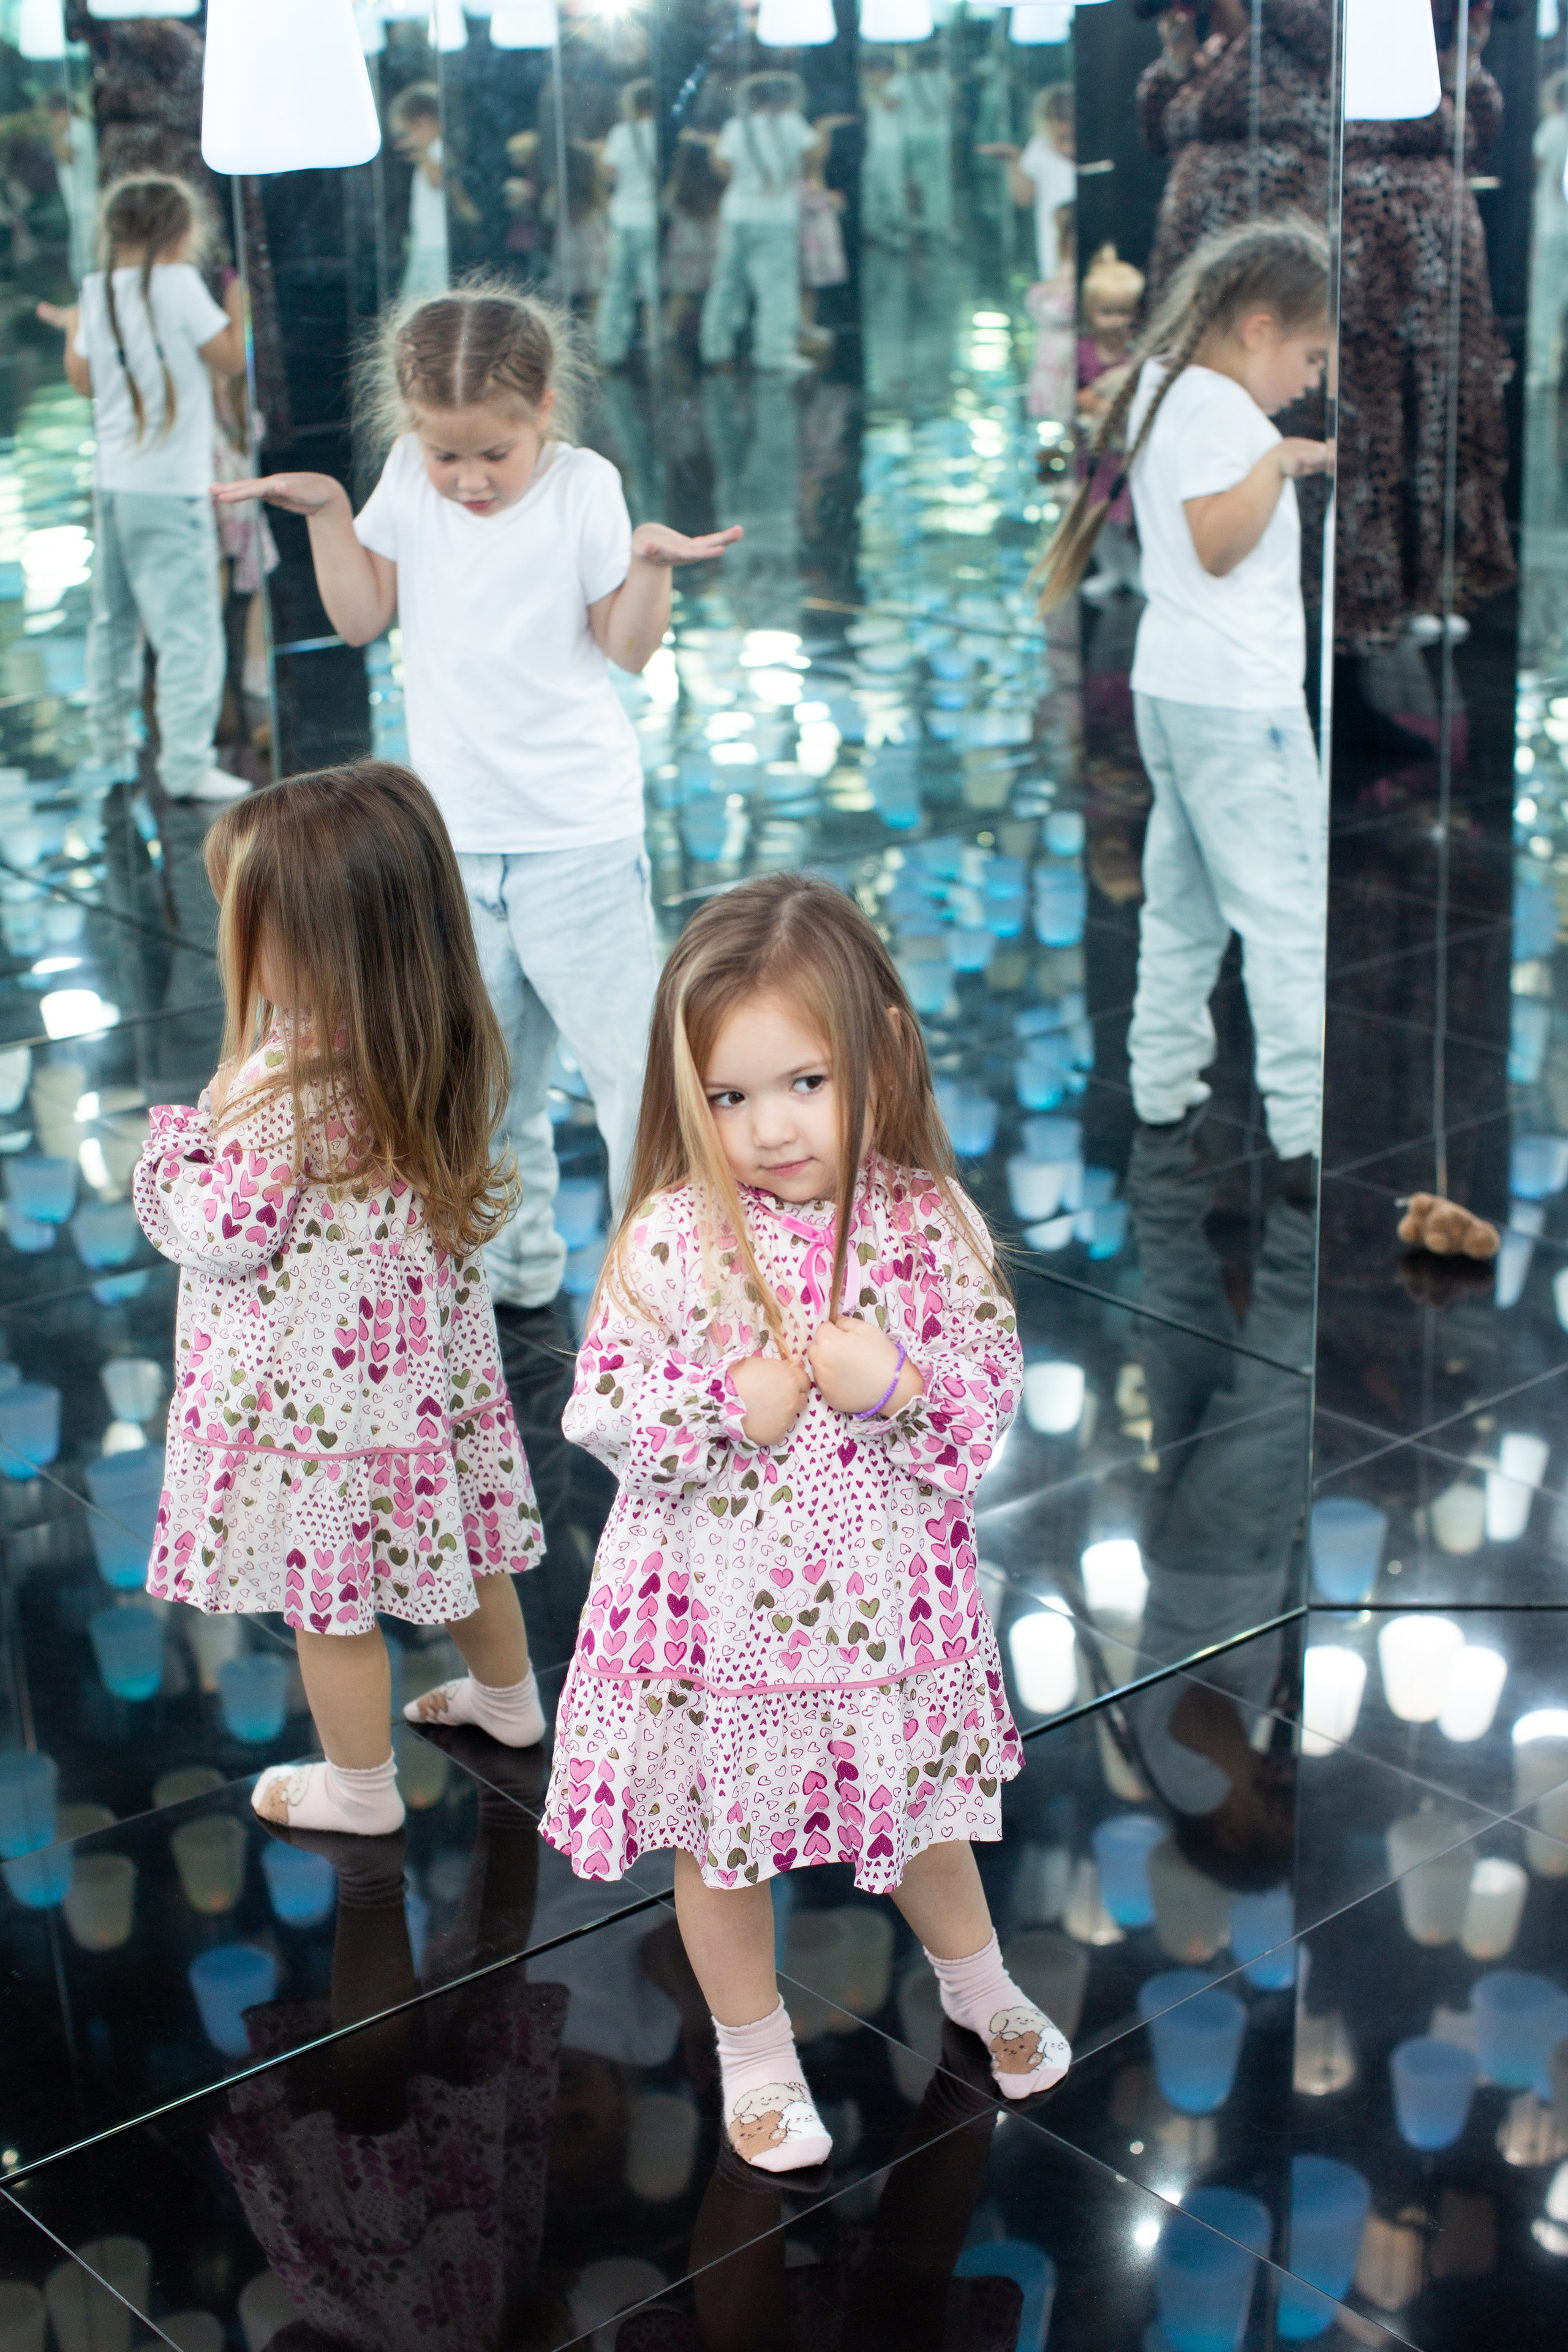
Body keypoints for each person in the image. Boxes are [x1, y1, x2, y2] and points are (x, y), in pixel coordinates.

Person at [538, 873, 1072, 2173]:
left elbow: (978, 1414)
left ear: (881, 1053)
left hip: (886, 1610)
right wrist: (727, 1402)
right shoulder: (673, 1234)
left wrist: (891, 1388)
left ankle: (976, 1981)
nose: (768, 1128)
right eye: (728, 1097)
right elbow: (599, 1410)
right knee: (722, 1848)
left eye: (804, 1083)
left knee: (928, 1818)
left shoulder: (928, 1226)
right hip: (716, 1623)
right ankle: (753, 2052)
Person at [213, 285, 740, 1323]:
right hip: (453, 843)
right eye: (446, 453)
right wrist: (329, 513)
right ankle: (515, 1273)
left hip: (576, 835)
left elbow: (627, 649)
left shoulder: (587, 486)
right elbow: (362, 616)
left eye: (493, 453)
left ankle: (669, 1286)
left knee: (632, 1076)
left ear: (545, 406)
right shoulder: (411, 477)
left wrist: (648, 570)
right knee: (482, 1085)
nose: (468, 478)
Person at [130, 763, 547, 1838]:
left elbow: (225, 1235)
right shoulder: (426, 1039)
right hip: (419, 1390)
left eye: (245, 912)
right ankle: (509, 1702)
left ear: (311, 938)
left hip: (316, 1410)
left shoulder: (287, 1091)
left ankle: (358, 1790)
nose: (233, 931)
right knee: (474, 1541)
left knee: (334, 1606)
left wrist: (170, 1158)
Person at [1040, 218, 1333, 1172]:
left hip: (1177, 691)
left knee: (1186, 903)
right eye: (1310, 353)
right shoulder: (1225, 414)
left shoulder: (1168, 385)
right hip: (1239, 705)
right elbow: (1216, 541)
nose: (1313, 380)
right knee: (1289, 918)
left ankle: (1163, 1081)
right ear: (1258, 327)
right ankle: (1305, 1126)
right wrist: (1276, 461)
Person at [36, 172, 249, 805]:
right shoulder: (182, 287)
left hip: (114, 487)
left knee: (114, 620)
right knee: (188, 631)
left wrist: (80, 326)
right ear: (182, 233)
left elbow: (81, 382)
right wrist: (239, 303)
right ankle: (186, 764)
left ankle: (109, 741)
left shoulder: (96, 291)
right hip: (171, 490)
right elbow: (232, 360)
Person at [696, 76, 845, 377]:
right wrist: (823, 134)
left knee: (726, 283)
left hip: (736, 211)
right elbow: (813, 159)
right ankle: (773, 353)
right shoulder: (792, 123)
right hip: (776, 214)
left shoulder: (736, 127)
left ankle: (715, 346)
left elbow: (722, 167)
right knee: (775, 286)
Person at [1077, 245, 1145, 601]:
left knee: (1126, 514)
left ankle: (1132, 570)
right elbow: (1073, 396)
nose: (1117, 321)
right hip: (1092, 454)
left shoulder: (1137, 355)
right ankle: (1109, 569)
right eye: (1108, 313)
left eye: (1125, 313)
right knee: (1096, 517)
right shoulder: (1082, 353)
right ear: (1091, 312)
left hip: (1124, 453)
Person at [978, 83, 1075, 282]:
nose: (1068, 147)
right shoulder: (1039, 150)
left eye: (1074, 139)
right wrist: (1014, 161)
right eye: (1060, 139)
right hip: (1054, 254)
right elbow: (1024, 198)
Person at [596, 78, 660, 368]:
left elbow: (609, 173)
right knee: (653, 287)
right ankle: (657, 346)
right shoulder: (662, 133)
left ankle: (609, 349)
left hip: (623, 215)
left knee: (617, 285)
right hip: (652, 217)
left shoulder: (620, 133)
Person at [662, 130, 723, 345]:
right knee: (717, 293)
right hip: (714, 240)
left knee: (681, 293)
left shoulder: (679, 185)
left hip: (685, 242)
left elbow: (668, 206)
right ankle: (713, 338)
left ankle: (668, 334)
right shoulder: (717, 186)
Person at [390, 83, 450, 300]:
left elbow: (438, 181)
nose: (406, 141)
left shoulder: (438, 150)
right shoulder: (428, 154)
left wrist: (423, 153)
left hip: (436, 247)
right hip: (425, 244)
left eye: (408, 132)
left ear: (424, 122)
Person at [859, 54, 908, 252]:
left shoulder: (899, 83)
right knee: (872, 190)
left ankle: (898, 231)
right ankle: (875, 232)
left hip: (892, 146)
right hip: (872, 146)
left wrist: (875, 87)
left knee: (892, 190)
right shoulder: (870, 88)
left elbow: (891, 105)